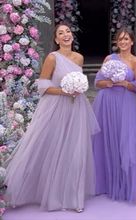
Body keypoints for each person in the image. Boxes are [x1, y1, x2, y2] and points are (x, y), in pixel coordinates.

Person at [4, 24, 99, 212]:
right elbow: (43, 85)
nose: (65, 35)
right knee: (48, 147)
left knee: (74, 150)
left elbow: (79, 81)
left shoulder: (79, 58)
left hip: (76, 108)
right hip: (55, 106)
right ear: (56, 39)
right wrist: (65, 91)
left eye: (68, 32)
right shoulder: (52, 57)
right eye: (61, 33)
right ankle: (25, 191)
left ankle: (74, 198)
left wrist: (78, 89)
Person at [92, 27, 136, 202]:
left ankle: (127, 183)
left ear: (132, 41)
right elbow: (97, 82)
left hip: (126, 104)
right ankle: (108, 183)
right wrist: (108, 82)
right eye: (120, 40)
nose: (123, 42)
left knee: (126, 141)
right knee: (108, 139)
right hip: (106, 102)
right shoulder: (110, 59)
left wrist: (125, 83)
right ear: (117, 42)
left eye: (126, 39)